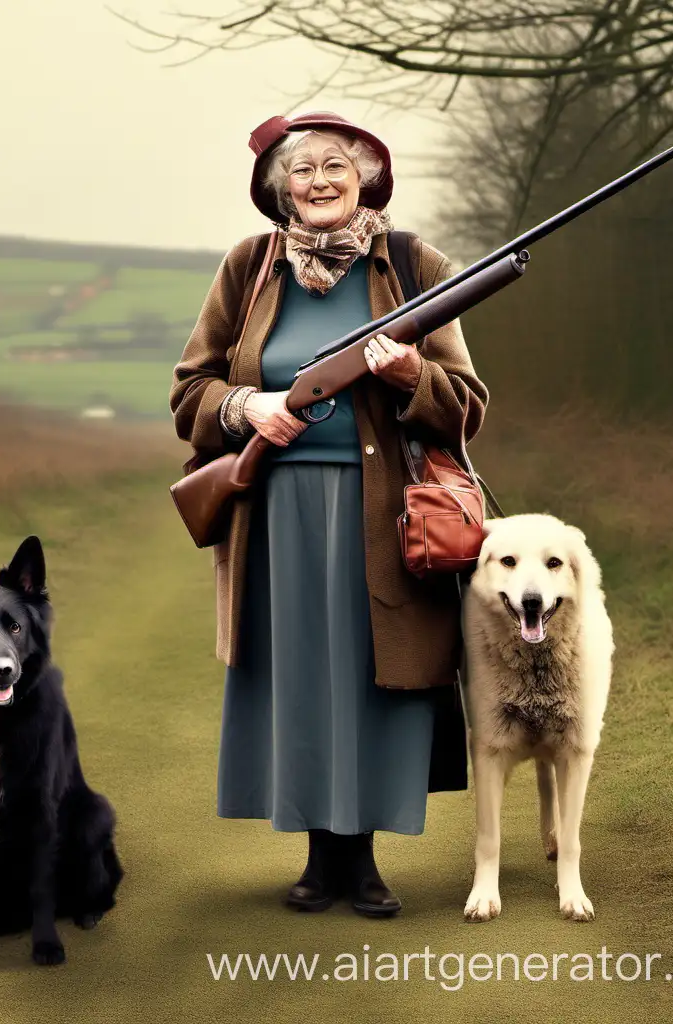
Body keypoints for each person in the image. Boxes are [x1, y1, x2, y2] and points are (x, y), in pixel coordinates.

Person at [170, 111, 488, 917]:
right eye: (302, 170)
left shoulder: (415, 266)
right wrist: (251, 406)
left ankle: (367, 860)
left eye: (333, 168)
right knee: (303, 677)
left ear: (364, 178)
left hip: (386, 511)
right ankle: (318, 856)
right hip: (275, 510)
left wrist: (413, 373)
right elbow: (190, 391)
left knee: (377, 678)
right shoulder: (248, 266)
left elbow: (466, 405)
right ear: (280, 189)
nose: (318, 182)